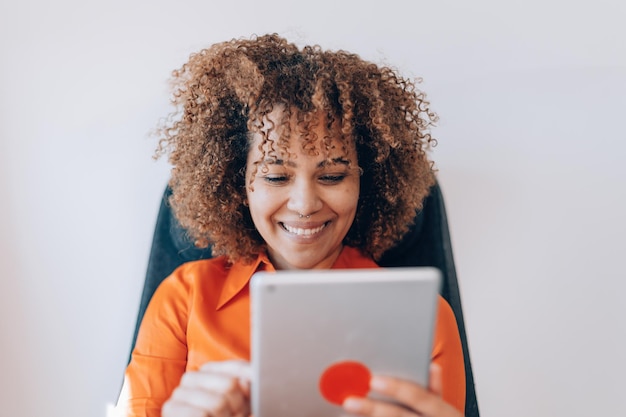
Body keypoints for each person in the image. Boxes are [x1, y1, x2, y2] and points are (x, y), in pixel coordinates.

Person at [115, 33, 467, 417]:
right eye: (276, 177)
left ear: (367, 182)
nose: (304, 205)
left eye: (332, 176)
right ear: (238, 183)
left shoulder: (424, 320)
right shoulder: (183, 299)